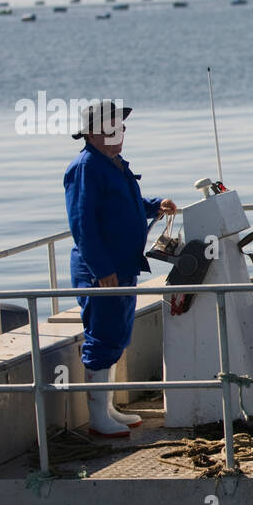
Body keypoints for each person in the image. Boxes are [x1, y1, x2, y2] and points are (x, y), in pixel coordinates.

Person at [64, 100, 176, 438]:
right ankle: (97, 416)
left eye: (122, 126)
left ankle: (108, 407)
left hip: (123, 266)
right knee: (102, 336)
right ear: (94, 132)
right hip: (101, 270)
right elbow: (82, 224)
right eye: (114, 126)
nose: (122, 132)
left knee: (117, 335)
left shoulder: (114, 164)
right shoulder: (86, 167)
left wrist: (155, 205)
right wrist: (100, 269)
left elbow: (128, 204)